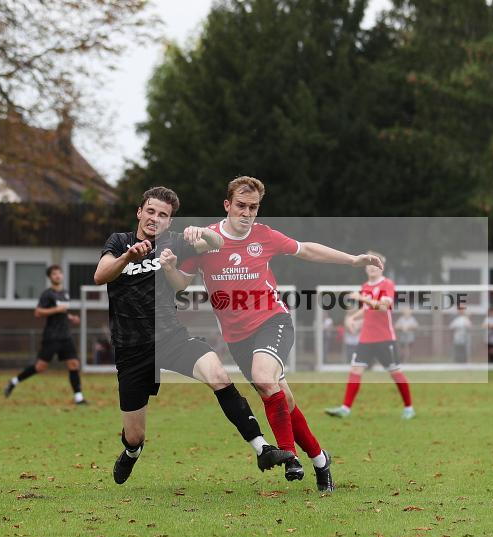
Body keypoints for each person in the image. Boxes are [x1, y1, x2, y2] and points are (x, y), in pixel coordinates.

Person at [174, 175, 384, 492]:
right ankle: (320, 459)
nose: (247, 213)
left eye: (253, 207)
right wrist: (165, 265)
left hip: (273, 320)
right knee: (282, 398)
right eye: (241, 206)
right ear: (227, 205)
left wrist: (352, 259)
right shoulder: (204, 241)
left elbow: (306, 250)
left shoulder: (264, 236)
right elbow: (179, 282)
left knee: (262, 375)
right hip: (237, 337)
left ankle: (290, 458)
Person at [93, 186, 292, 485]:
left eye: (163, 215)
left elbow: (216, 242)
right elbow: (100, 275)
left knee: (218, 375)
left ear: (169, 222)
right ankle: (131, 452)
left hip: (171, 339)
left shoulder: (174, 243)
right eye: (150, 211)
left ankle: (262, 448)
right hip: (131, 349)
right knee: (135, 435)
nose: (154, 219)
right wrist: (128, 257)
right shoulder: (119, 242)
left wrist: (202, 233)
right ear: (139, 212)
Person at [326, 251, 415, 420]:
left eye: (376, 264)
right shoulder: (365, 287)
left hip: (385, 338)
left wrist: (362, 298)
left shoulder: (387, 284)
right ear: (365, 268)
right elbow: (366, 309)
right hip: (366, 338)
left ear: (382, 267)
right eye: (369, 264)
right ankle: (345, 408)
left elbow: (382, 307)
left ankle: (409, 408)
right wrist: (352, 318)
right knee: (355, 369)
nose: (372, 267)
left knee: (395, 372)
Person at [3, 266, 87, 405]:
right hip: (52, 336)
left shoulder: (65, 293)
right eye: (54, 274)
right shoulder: (47, 294)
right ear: (50, 277)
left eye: (59, 273)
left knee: (74, 364)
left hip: (65, 335)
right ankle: (13, 381)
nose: (57, 276)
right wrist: (56, 309)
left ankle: (79, 398)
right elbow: (38, 312)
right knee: (40, 367)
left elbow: (63, 312)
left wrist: (71, 317)